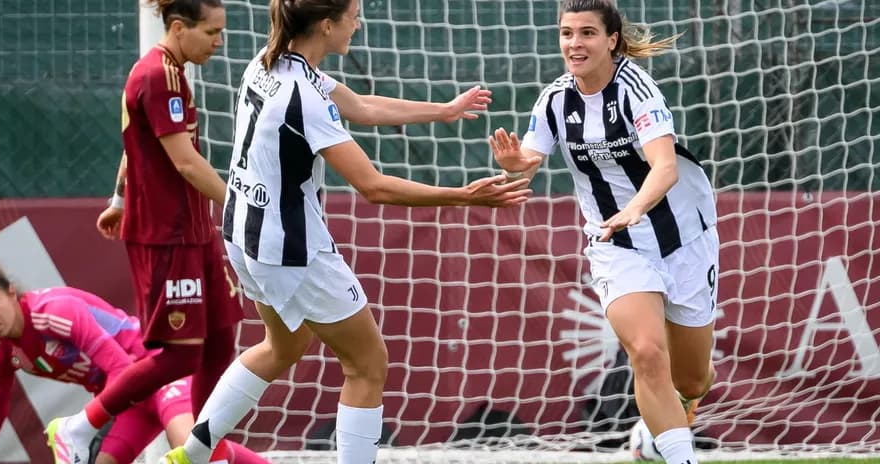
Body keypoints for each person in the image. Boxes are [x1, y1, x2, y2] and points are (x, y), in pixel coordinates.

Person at [157, 0, 532, 462]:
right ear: (328, 24)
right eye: (354, 14)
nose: (359, 22)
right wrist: (465, 196)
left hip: (243, 235)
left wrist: (445, 111)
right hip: (292, 249)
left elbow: (361, 106)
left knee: (283, 345)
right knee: (367, 364)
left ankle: (189, 454)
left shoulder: (268, 62)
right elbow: (373, 186)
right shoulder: (304, 97)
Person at [488, 1, 717, 463]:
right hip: (616, 243)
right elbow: (528, 165)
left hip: (683, 237)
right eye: (567, 33)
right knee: (647, 352)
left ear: (611, 40)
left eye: (587, 33)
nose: (575, 44)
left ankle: (664, 426)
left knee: (692, 379)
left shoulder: (635, 88)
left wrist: (634, 207)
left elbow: (666, 167)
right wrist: (515, 168)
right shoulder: (555, 99)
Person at [47, 1, 245, 463]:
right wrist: (242, 207)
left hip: (194, 230)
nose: (220, 41)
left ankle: (197, 451)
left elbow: (132, 145)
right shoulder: (157, 75)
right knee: (179, 357)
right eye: (213, 32)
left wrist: (117, 201)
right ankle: (79, 427)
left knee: (221, 341)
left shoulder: (173, 71)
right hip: (166, 238)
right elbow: (185, 161)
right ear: (179, 27)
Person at [0, 255, 267, 464]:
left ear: (11, 292)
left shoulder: (55, 312)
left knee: (194, 450)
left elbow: (122, 369)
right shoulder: (0, 352)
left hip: (157, 371)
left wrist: (92, 426)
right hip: (127, 401)